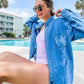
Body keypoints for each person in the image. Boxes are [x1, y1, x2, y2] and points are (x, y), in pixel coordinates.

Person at [0, 0, 84, 84]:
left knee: (1, 70)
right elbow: (28, 22)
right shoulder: (38, 26)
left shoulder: (60, 23)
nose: (37, 10)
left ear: (49, 8)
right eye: (35, 8)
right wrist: (39, 13)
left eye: (40, 7)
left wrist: (64, 12)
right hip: (39, 65)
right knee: (4, 55)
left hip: (52, 72)